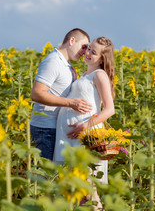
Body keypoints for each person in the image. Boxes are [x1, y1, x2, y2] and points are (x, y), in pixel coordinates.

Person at [53, 37, 115, 209]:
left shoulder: (99, 75)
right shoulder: (84, 75)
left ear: (102, 59)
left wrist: (85, 125)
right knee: (79, 193)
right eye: (88, 49)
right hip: (73, 139)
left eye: (93, 52)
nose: (87, 53)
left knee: (88, 191)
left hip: (86, 138)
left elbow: (110, 109)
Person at [30, 28, 93, 161]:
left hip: (55, 126)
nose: (85, 52)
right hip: (45, 128)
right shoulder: (53, 61)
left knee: (53, 174)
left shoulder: (66, 64)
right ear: (71, 41)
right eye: (83, 47)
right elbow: (36, 93)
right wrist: (71, 103)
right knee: (45, 174)